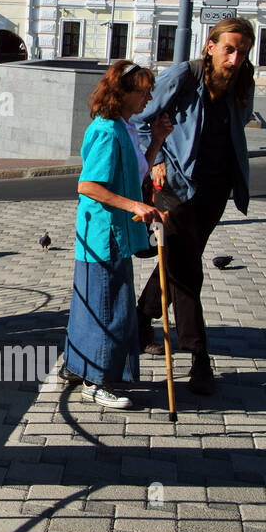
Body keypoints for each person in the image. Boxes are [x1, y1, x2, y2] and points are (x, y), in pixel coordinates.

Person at [133, 16, 255, 396]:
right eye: (229, 49)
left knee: (176, 260)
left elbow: (239, 124)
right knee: (188, 270)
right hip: (175, 187)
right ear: (210, 46)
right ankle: (199, 359)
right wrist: (155, 160)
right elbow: (140, 118)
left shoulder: (243, 80)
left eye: (243, 52)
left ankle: (138, 321)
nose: (235, 59)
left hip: (216, 190)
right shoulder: (185, 76)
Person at [62, 60, 170, 409]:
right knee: (109, 307)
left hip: (113, 234)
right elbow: (89, 186)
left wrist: (156, 141)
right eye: (143, 90)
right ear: (122, 93)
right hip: (103, 236)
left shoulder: (123, 126)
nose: (149, 97)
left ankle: (77, 367)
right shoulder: (108, 131)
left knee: (92, 303)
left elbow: (136, 174)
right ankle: (96, 381)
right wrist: (135, 208)